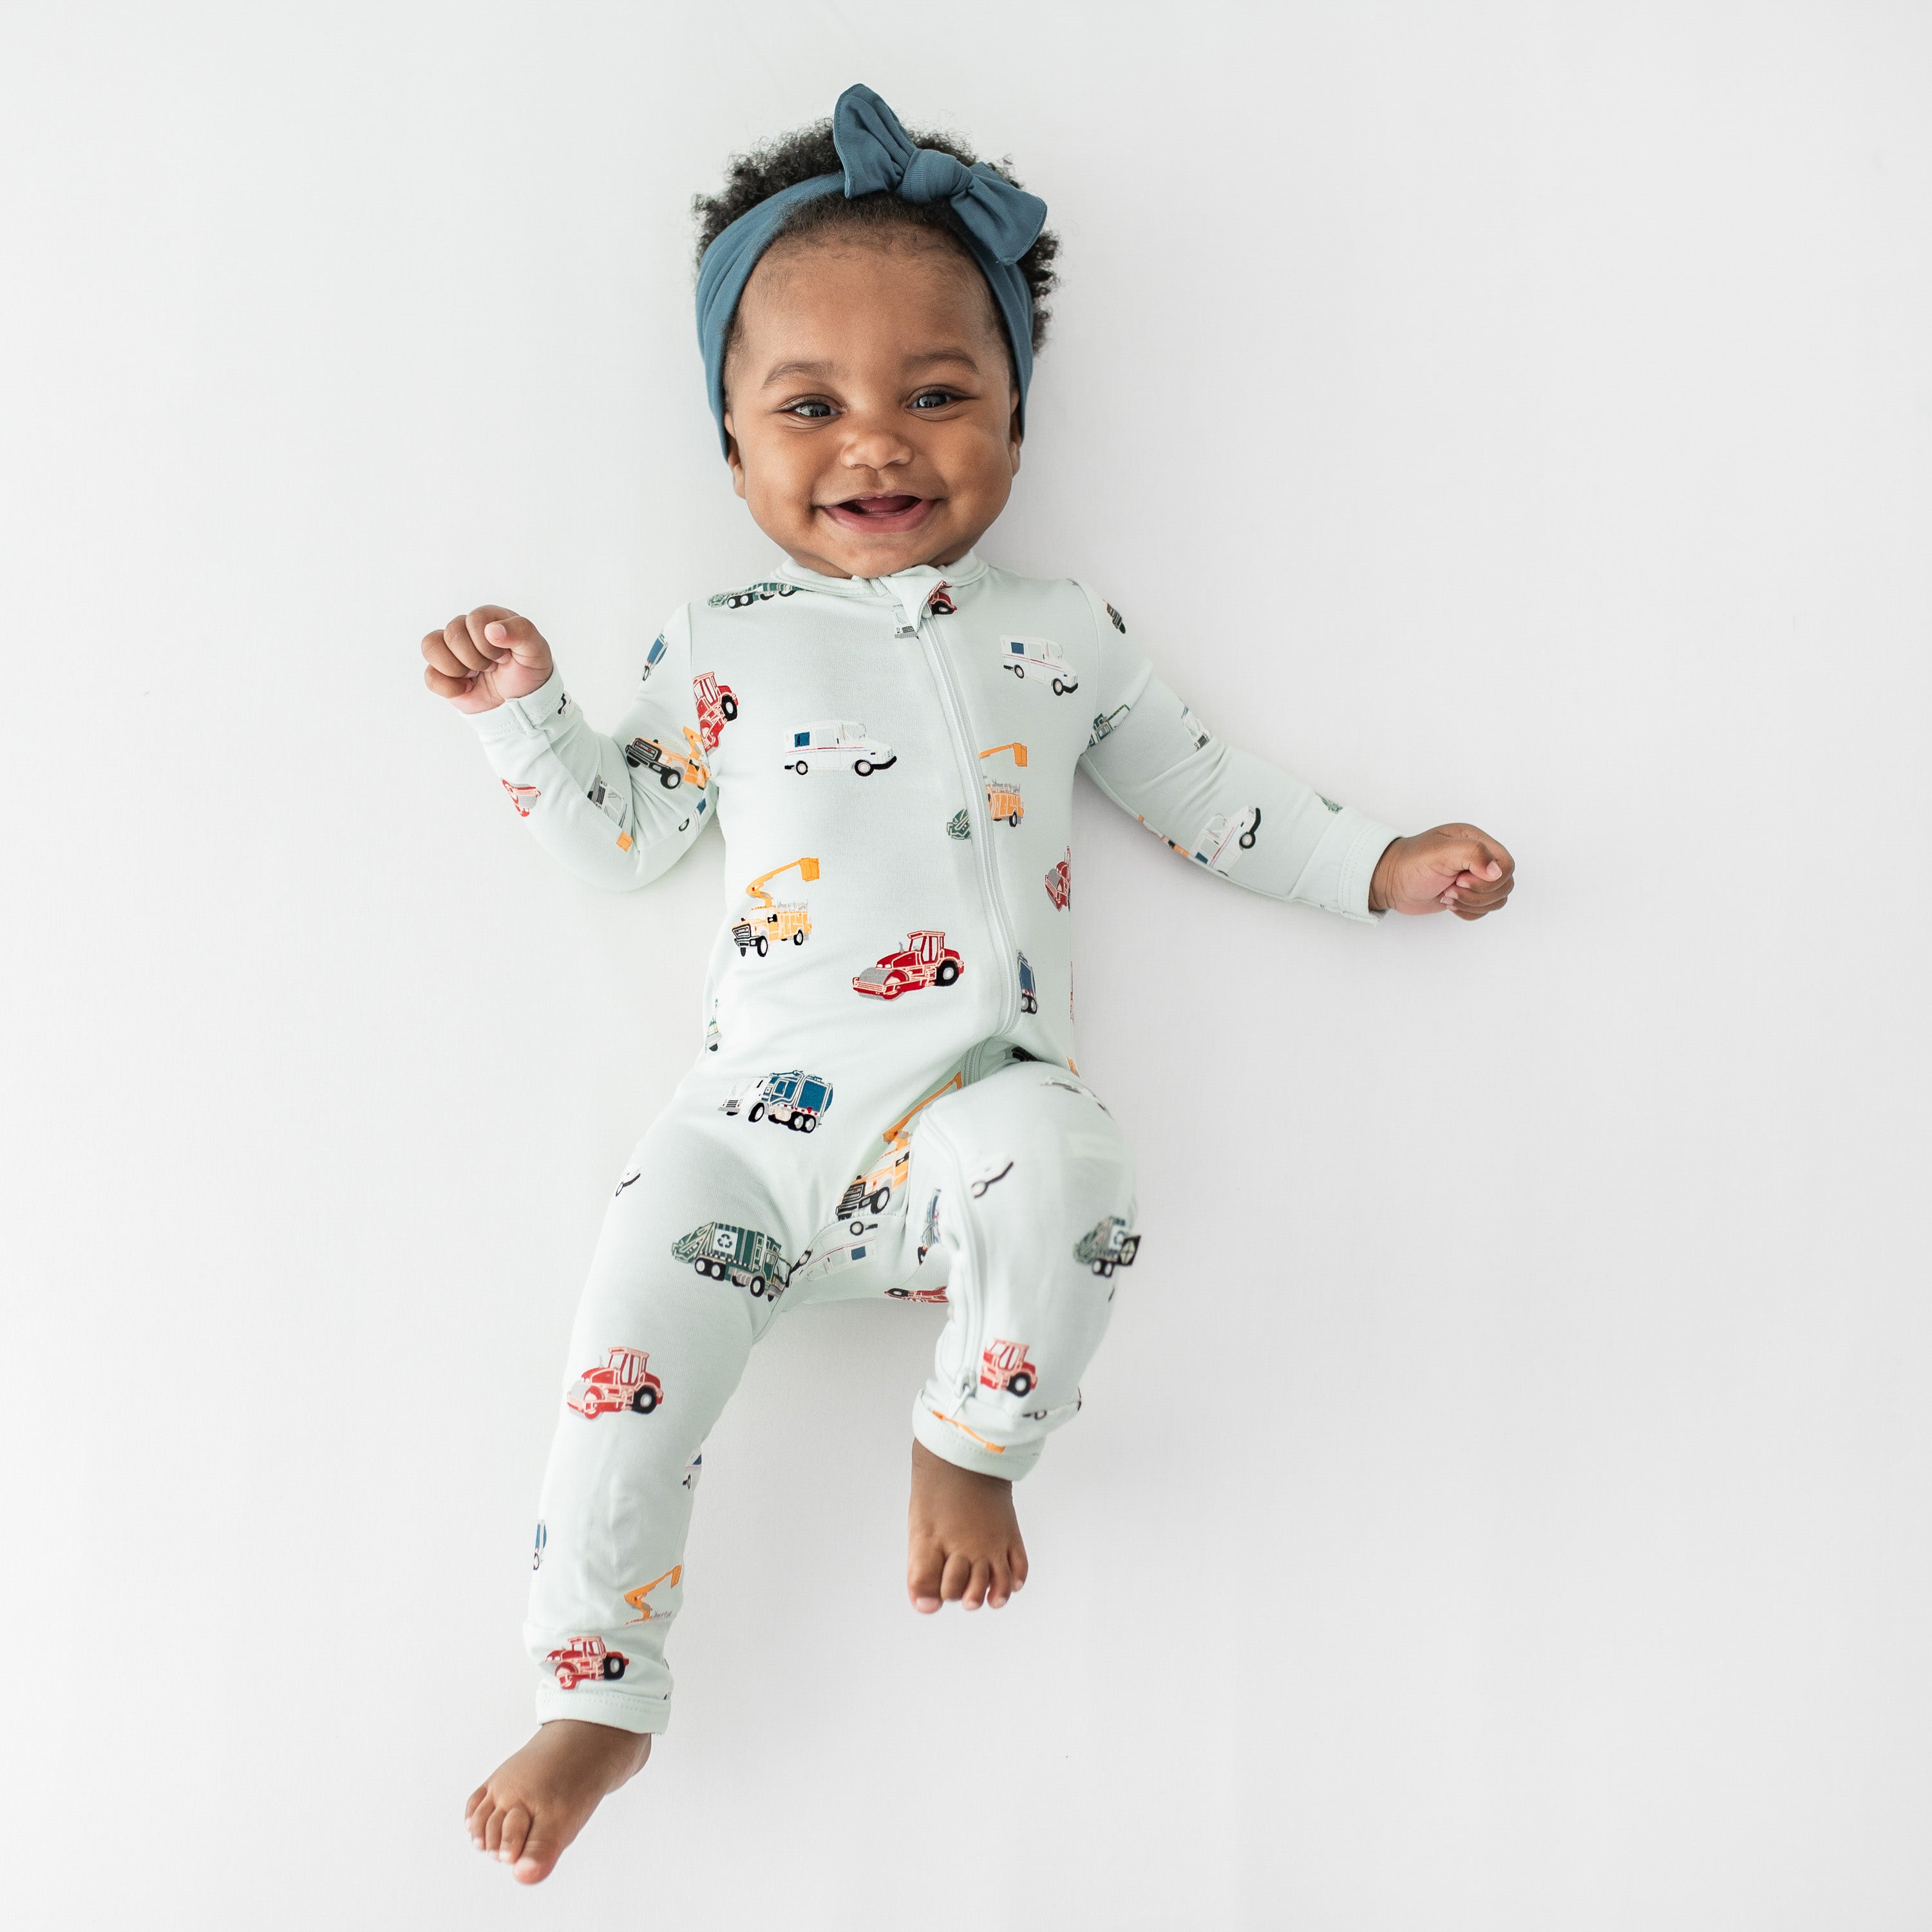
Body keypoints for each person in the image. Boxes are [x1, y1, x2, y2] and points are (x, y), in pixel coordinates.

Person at [423, 83, 1515, 1884]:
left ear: (1015, 417)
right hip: (748, 1141)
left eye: (937, 395)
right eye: (810, 407)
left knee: (1077, 1163)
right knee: (618, 1366)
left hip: (968, 1118)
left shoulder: (1063, 637)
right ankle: (594, 1692)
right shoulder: (721, 642)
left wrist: (1381, 867)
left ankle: (976, 1437)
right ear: (731, 446)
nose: (877, 443)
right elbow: (625, 838)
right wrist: (525, 718)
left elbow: (1208, 795)